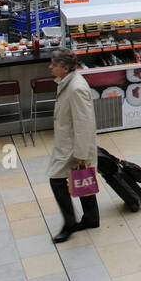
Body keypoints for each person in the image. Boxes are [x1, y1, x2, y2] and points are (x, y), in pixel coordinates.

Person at [45, 48, 99, 242]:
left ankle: (69, 223)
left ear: (65, 68)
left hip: (72, 145)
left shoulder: (76, 88)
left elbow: (85, 123)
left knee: (57, 179)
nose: (50, 67)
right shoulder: (68, 82)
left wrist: (81, 152)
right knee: (82, 177)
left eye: (54, 64)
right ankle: (91, 217)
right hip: (68, 142)